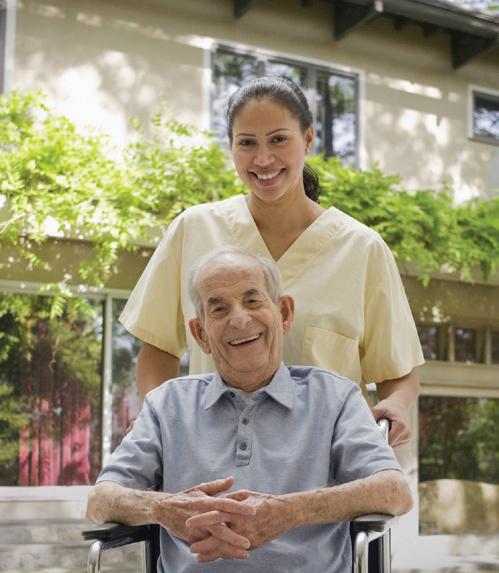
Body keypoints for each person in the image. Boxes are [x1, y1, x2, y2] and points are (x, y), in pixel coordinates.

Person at [120, 76, 425, 445]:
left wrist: (397, 405)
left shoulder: (362, 249)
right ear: (231, 147)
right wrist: (158, 420)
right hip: (214, 458)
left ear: (308, 139)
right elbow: (159, 348)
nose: (263, 159)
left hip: (328, 462)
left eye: (278, 139)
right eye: (247, 142)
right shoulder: (194, 230)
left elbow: (397, 372)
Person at [86, 247, 413, 572]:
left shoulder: (336, 397)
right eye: (219, 309)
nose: (240, 320)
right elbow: (100, 501)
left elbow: (394, 492)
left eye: (253, 301)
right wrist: (164, 509)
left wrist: (287, 512)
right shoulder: (166, 404)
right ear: (201, 334)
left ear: (284, 313)